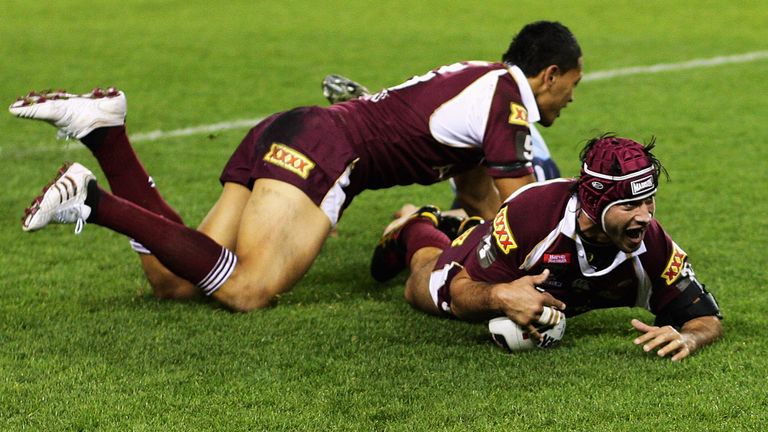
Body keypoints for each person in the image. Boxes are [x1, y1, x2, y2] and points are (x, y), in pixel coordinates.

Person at [10, 21, 582, 311]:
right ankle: (93, 200)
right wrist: (570, 264)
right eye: (570, 88)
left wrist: (471, 238)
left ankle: (109, 137)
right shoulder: (508, 103)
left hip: (292, 130)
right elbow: (527, 207)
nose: (569, 101)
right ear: (549, 75)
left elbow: (482, 197)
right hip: (326, 154)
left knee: (172, 282)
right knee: (248, 288)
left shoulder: (481, 80)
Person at [370, 135, 722, 361]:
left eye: (649, 202)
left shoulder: (652, 245)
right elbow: (461, 293)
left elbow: (706, 317)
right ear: (594, 204)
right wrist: (500, 297)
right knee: (420, 286)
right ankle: (416, 226)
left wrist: (687, 338)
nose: (645, 217)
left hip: (519, 261)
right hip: (498, 255)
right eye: (630, 206)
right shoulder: (532, 215)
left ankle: (459, 223)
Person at [323, 74, 561, 182]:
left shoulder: (504, 103)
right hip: (496, 155)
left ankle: (416, 220)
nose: (570, 98)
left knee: (472, 217)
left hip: (479, 147)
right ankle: (417, 221)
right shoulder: (507, 113)